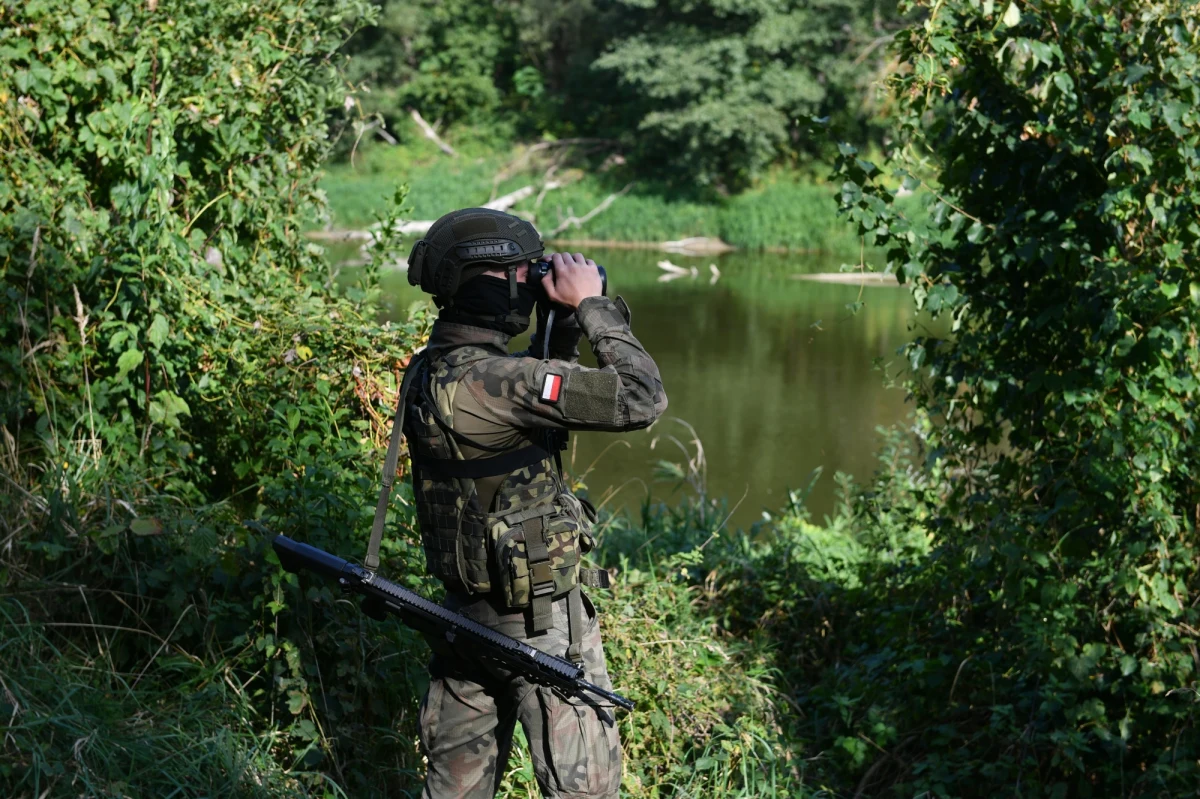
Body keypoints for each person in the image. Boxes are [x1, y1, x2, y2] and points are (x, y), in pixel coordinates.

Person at [400, 207, 668, 799]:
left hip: (464, 620)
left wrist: (559, 328)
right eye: (523, 272)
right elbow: (641, 398)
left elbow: (534, 411)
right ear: (489, 282)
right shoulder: (505, 383)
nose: (531, 280)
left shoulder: (429, 373)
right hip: (541, 628)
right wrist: (593, 307)